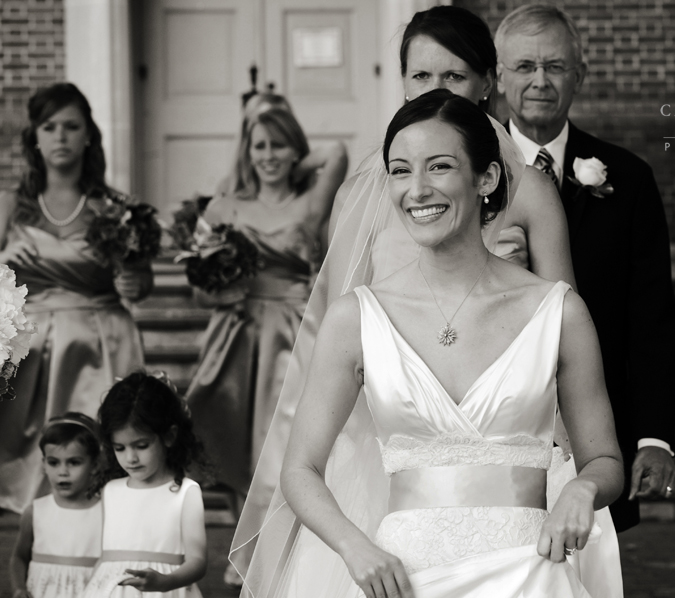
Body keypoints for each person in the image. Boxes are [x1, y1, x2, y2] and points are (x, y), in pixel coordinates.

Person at [231, 6, 577, 577]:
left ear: (486, 82)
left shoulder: (528, 188)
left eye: (453, 77)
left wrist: (571, 463)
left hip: (503, 437)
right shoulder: (368, 191)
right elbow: (338, 322)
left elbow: (560, 330)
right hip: (387, 432)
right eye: (420, 77)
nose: (436, 89)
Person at [260, 90, 624, 597]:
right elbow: (300, 468)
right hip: (404, 580)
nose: (417, 189)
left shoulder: (558, 312)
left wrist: (583, 487)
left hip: (529, 573)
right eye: (401, 170)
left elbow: (605, 460)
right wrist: (353, 546)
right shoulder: (356, 317)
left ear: (487, 178)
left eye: (439, 167)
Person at [495, 4, 675, 534]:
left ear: (580, 74)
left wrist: (653, 436)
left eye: (555, 66)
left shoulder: (629, 178)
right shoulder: (468, 173)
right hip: (492, 425)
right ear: (499, 75)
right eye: (525, 66)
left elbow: (651, 316)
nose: (540, 80)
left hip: (597, 427)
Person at [0, 82, 151, 515]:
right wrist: (3, 259)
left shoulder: (115, 207)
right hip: (28, 349)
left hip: (100, 345)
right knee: (28, 474)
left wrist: (134, 284)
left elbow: (140, 280)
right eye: (49, 127)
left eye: (71, 126)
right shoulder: (8, 205)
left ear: (88, 136)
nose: (60, 136)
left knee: (101, 461)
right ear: (35, 138)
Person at [186, 108, 347, 507]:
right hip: (237, 333)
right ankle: (244, 555)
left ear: (297, 150)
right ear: (246, 151)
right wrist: (223, 295)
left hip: (295, 333)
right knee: (240, 442)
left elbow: (337, 152)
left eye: (279, 144)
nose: (268, 154)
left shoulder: (310, 204)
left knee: (284, 440)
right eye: (259, 146)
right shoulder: (222, 209)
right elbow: (199, 292)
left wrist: (292, 161)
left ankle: (280, 553)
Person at [82, 372, 208, 598]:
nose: (130, 458)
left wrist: (167, 582)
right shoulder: (111, 491)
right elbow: (106, 556)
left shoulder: (186, 493)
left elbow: (197, 561)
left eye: (141, 445)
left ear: (169, 436)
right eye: (119, 448)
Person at [10, 413, 103, 598]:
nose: (63, 472)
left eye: (74, 462)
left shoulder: (106, 513)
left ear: (94, 464)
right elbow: (19, 557)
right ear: (43, 464)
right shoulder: (35, 512)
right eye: (54, 463)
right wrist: (19, 588)